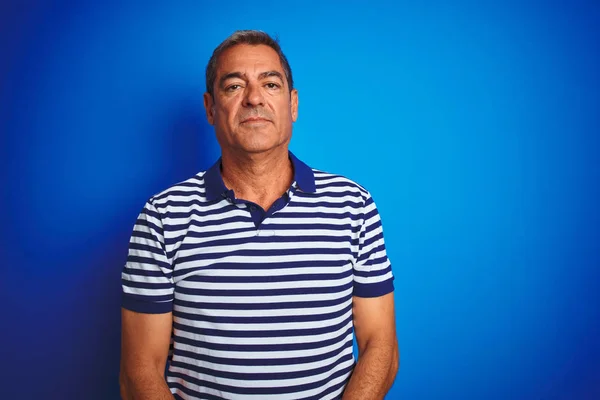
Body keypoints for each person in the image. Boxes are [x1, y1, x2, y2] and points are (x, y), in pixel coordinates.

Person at [120, 30, 399, 400]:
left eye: (270, 83)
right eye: (234, 86)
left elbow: (381, 345)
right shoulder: (162, 217)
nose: (254, 98)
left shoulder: (353, 206)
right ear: (210, 108)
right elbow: (139, 370)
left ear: (293, 104)